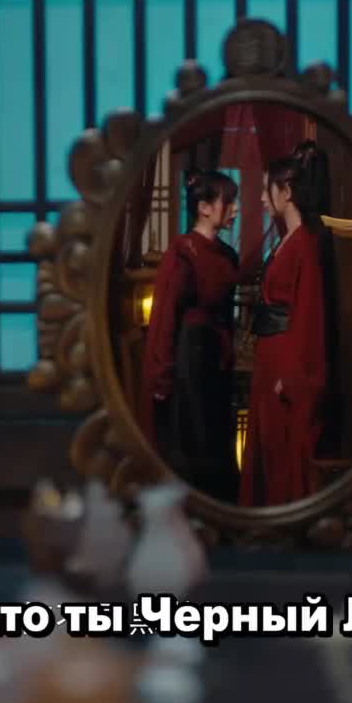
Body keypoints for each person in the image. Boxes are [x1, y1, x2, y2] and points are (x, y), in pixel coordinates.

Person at [240, 141, 331, 507]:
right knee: (265, 444)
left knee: (281, 449)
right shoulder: (286, 241)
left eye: (268, 189)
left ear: (287, 191)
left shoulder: (304, 245)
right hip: (270, 354)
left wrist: (291, 377)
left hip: (285, 358)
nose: (263, 198)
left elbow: (308, 316)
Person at [141, 169, 240, 501]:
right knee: (192, 441)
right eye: (228, 202)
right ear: (204, 207)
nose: (235, 209)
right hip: (191, 357)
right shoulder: (183, 252)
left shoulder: (227, 254)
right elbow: (166, 316)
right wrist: (163, 374)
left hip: (217, 356)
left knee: (218, 439)